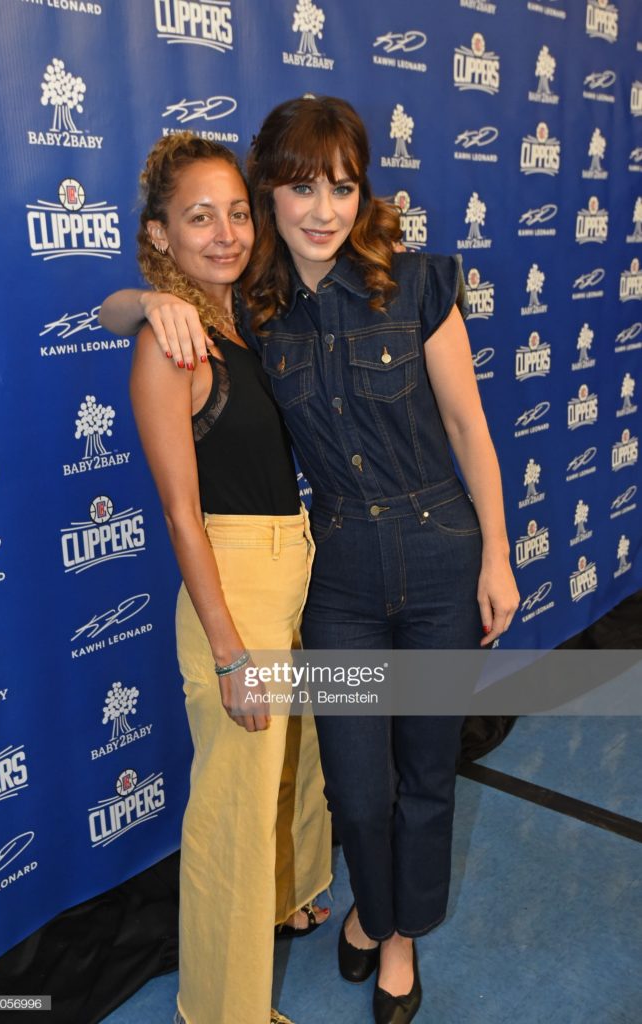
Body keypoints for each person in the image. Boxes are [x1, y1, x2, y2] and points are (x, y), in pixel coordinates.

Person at [101, 96, 520, 1024]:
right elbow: (124, 314)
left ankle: (393, 931)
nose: (322, 208)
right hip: (336, 581)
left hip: (437, 560)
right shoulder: (256, 308)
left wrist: (497, 553)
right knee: (356, 789)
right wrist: (146, 300)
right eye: (298, 188)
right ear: (270, 196)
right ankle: (344, 922)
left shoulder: (412, 284)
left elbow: (469, 426)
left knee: (422, 773)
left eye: (341, 186)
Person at [125, 131, 332, 1024]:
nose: (225, 232)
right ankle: (218, 1010)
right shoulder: (165, 343)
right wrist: (228, 650)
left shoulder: (245, 313)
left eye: (237, 213)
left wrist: (129, 299)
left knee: (301, 760)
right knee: (233, 816)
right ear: (160, 234)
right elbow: (180, 515)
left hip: (297, 562)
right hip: (234, 587)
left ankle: (295, 891)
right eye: (198, 217)